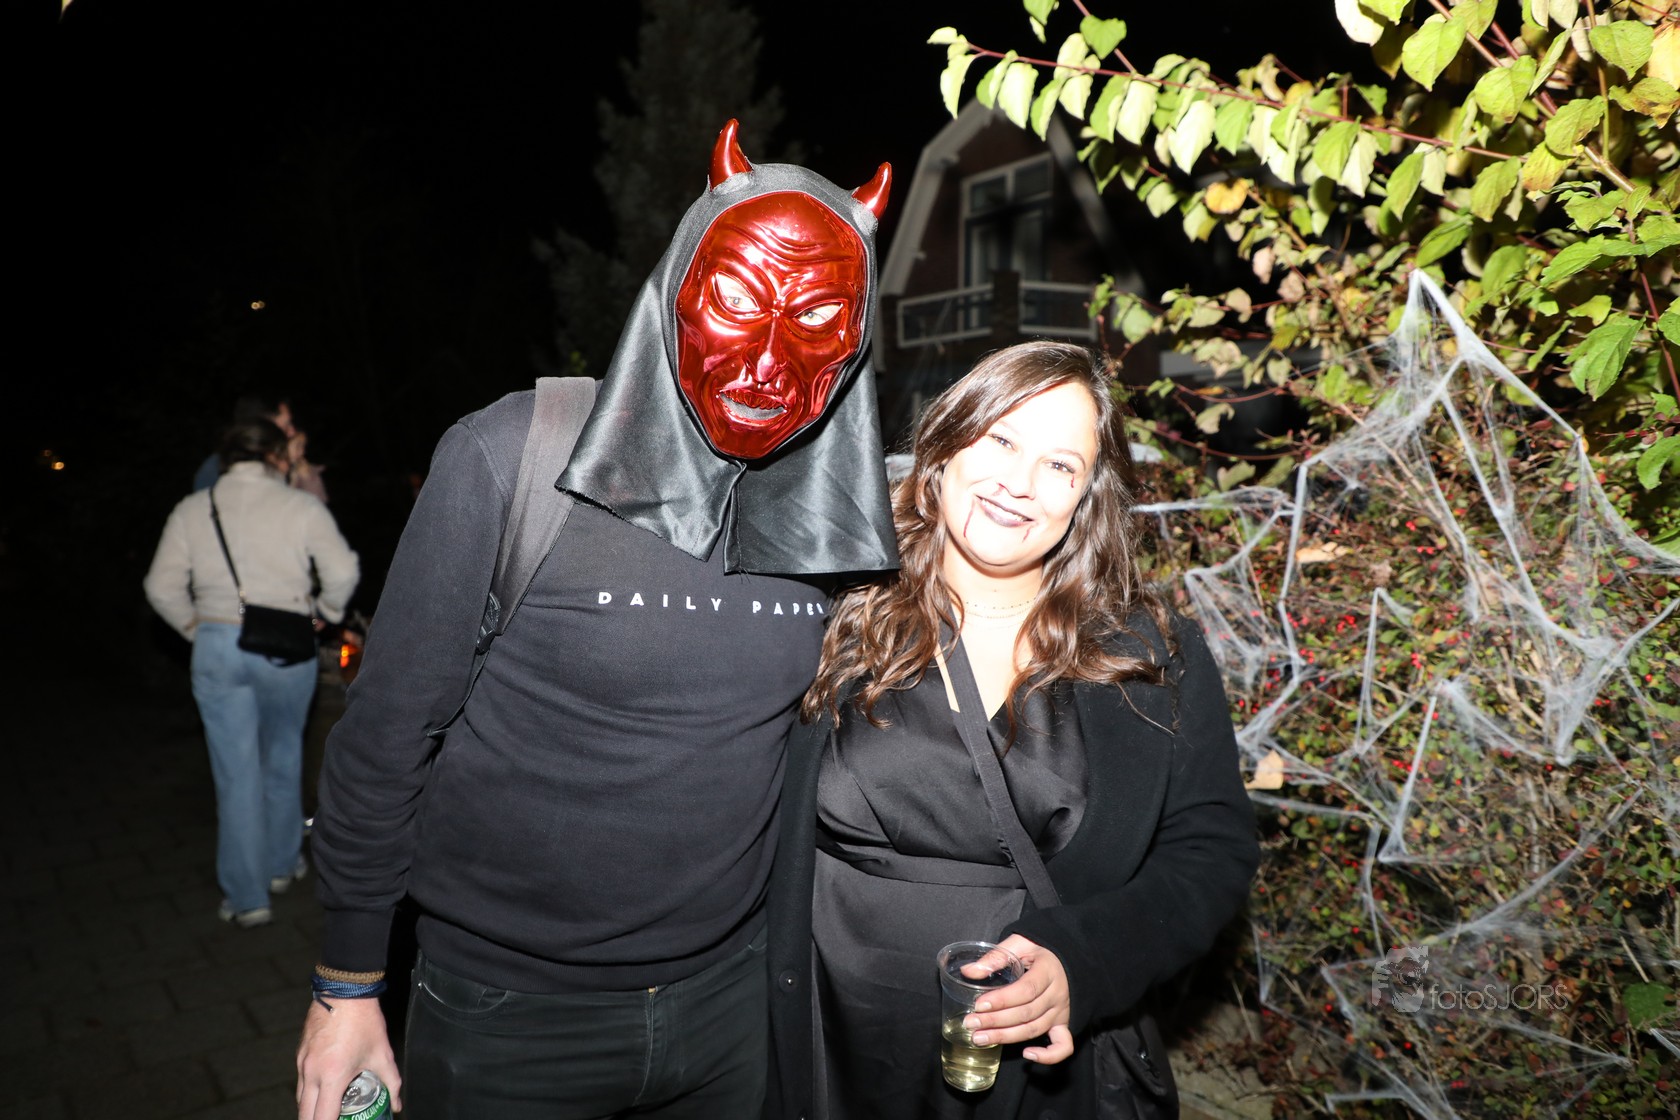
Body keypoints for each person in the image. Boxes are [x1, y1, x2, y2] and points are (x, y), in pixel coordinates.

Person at [294, 120, 898, 1120]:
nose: (767, 358)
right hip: (508, 1013)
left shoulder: (840, 520)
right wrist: (348, 981)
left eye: (819, 316)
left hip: (732, 1007)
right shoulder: (512, 456)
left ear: (859, 336)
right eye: (737, 300)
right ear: (675, 290)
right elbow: (387, 731)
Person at [766, 340, 1261, 1119]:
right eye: (1001, 439)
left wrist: (1086, 962)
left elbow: (1211, 849)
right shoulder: (825, 604)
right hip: (821, 1038)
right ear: (947, 444)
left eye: (1059, 465)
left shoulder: (1146, 652)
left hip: (1034, 1071)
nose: (1019, 483)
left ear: (1087, 495)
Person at [144, 417, 360, 928]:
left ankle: (247, 897)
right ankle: (282, 864)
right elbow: (344, 571)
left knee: (235, 772)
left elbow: (159, 586)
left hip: (218, 644)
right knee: (283, 756)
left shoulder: (193, 509)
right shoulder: (300, 506)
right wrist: (324, 614)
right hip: (285, 644)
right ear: (278, 457)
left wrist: (196, 627)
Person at [193, 394, 329, 503]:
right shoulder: (215, 471)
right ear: (261, 426)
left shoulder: (288, 464)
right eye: (286, 425)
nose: (292, 432)